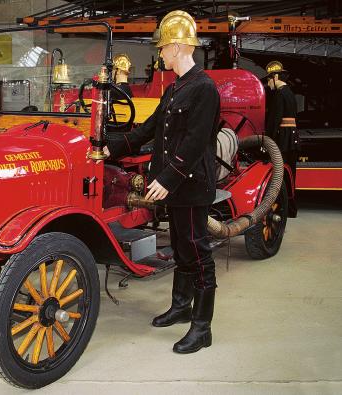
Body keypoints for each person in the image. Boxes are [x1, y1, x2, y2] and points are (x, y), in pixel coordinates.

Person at [106, 10, 220, 354]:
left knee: (197, 251)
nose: (161, 54)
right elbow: (148, 129)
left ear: (179, 47)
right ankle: (181, 306)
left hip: (190, 185)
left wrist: (168, 180)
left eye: (164, 48)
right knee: (182, 246)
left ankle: (202, 328)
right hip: (173, 186)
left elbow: (195, 143)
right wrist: (107, 149)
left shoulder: (204, 89)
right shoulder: (174, 89)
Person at [265, 61, 299, 212]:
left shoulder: (279, 94)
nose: (268, 83)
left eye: (268, 79)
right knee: (291, 173)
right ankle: (291, 208)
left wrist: (268, 139)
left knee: (280, 173)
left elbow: (274, 119)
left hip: (283, 139)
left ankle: (282, 208)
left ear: (275, 77)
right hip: (292, 138)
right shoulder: (289, 93)